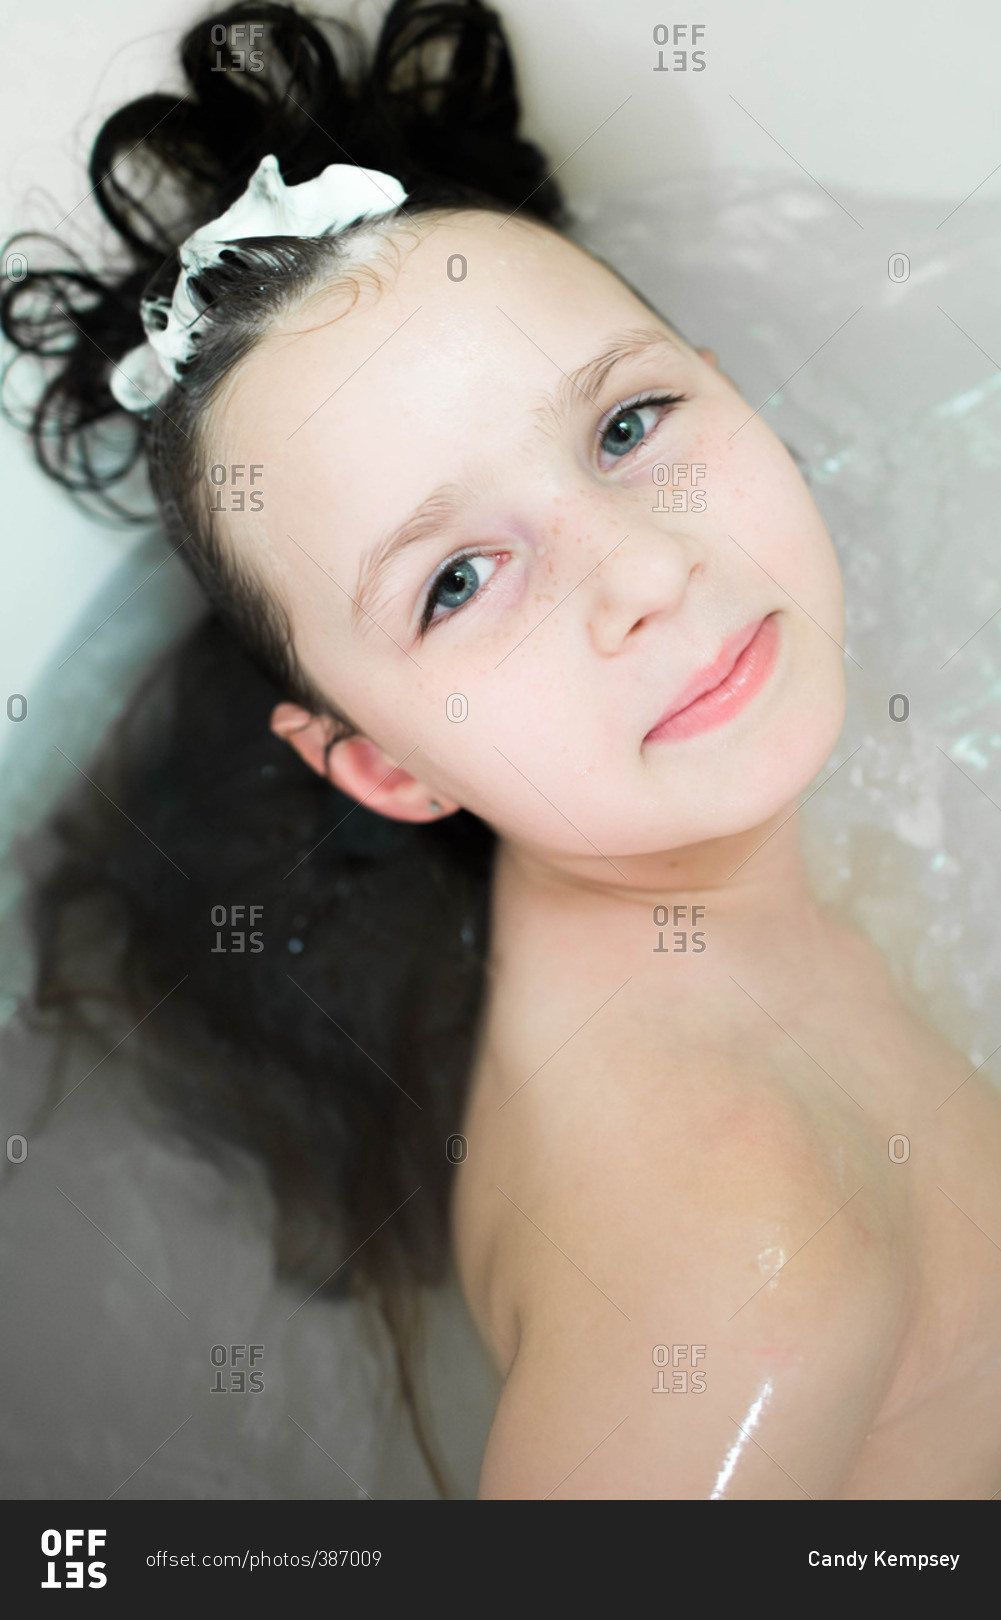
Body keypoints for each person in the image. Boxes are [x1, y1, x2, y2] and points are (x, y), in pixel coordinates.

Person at [4, 0, 1000, 1500]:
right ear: (382, 770)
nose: (642, 573)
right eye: (456, 582)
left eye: (626, 424)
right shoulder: (744, 1261)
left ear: (733, 382)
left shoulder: (674, 941)